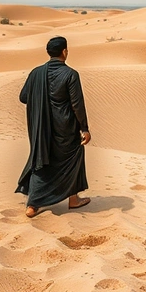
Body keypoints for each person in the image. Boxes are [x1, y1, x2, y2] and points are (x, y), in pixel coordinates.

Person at [16, 36, 92, 218]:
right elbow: (77, 104)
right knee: (74, 157)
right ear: (64, 52)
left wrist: (41, 100)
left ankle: (33, 205)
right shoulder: (70, 74)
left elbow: (23, 97)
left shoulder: (36, 73)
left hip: (41, 128)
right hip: (65, 128)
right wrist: (84, 128)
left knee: (41, 160)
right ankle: (73, 199)